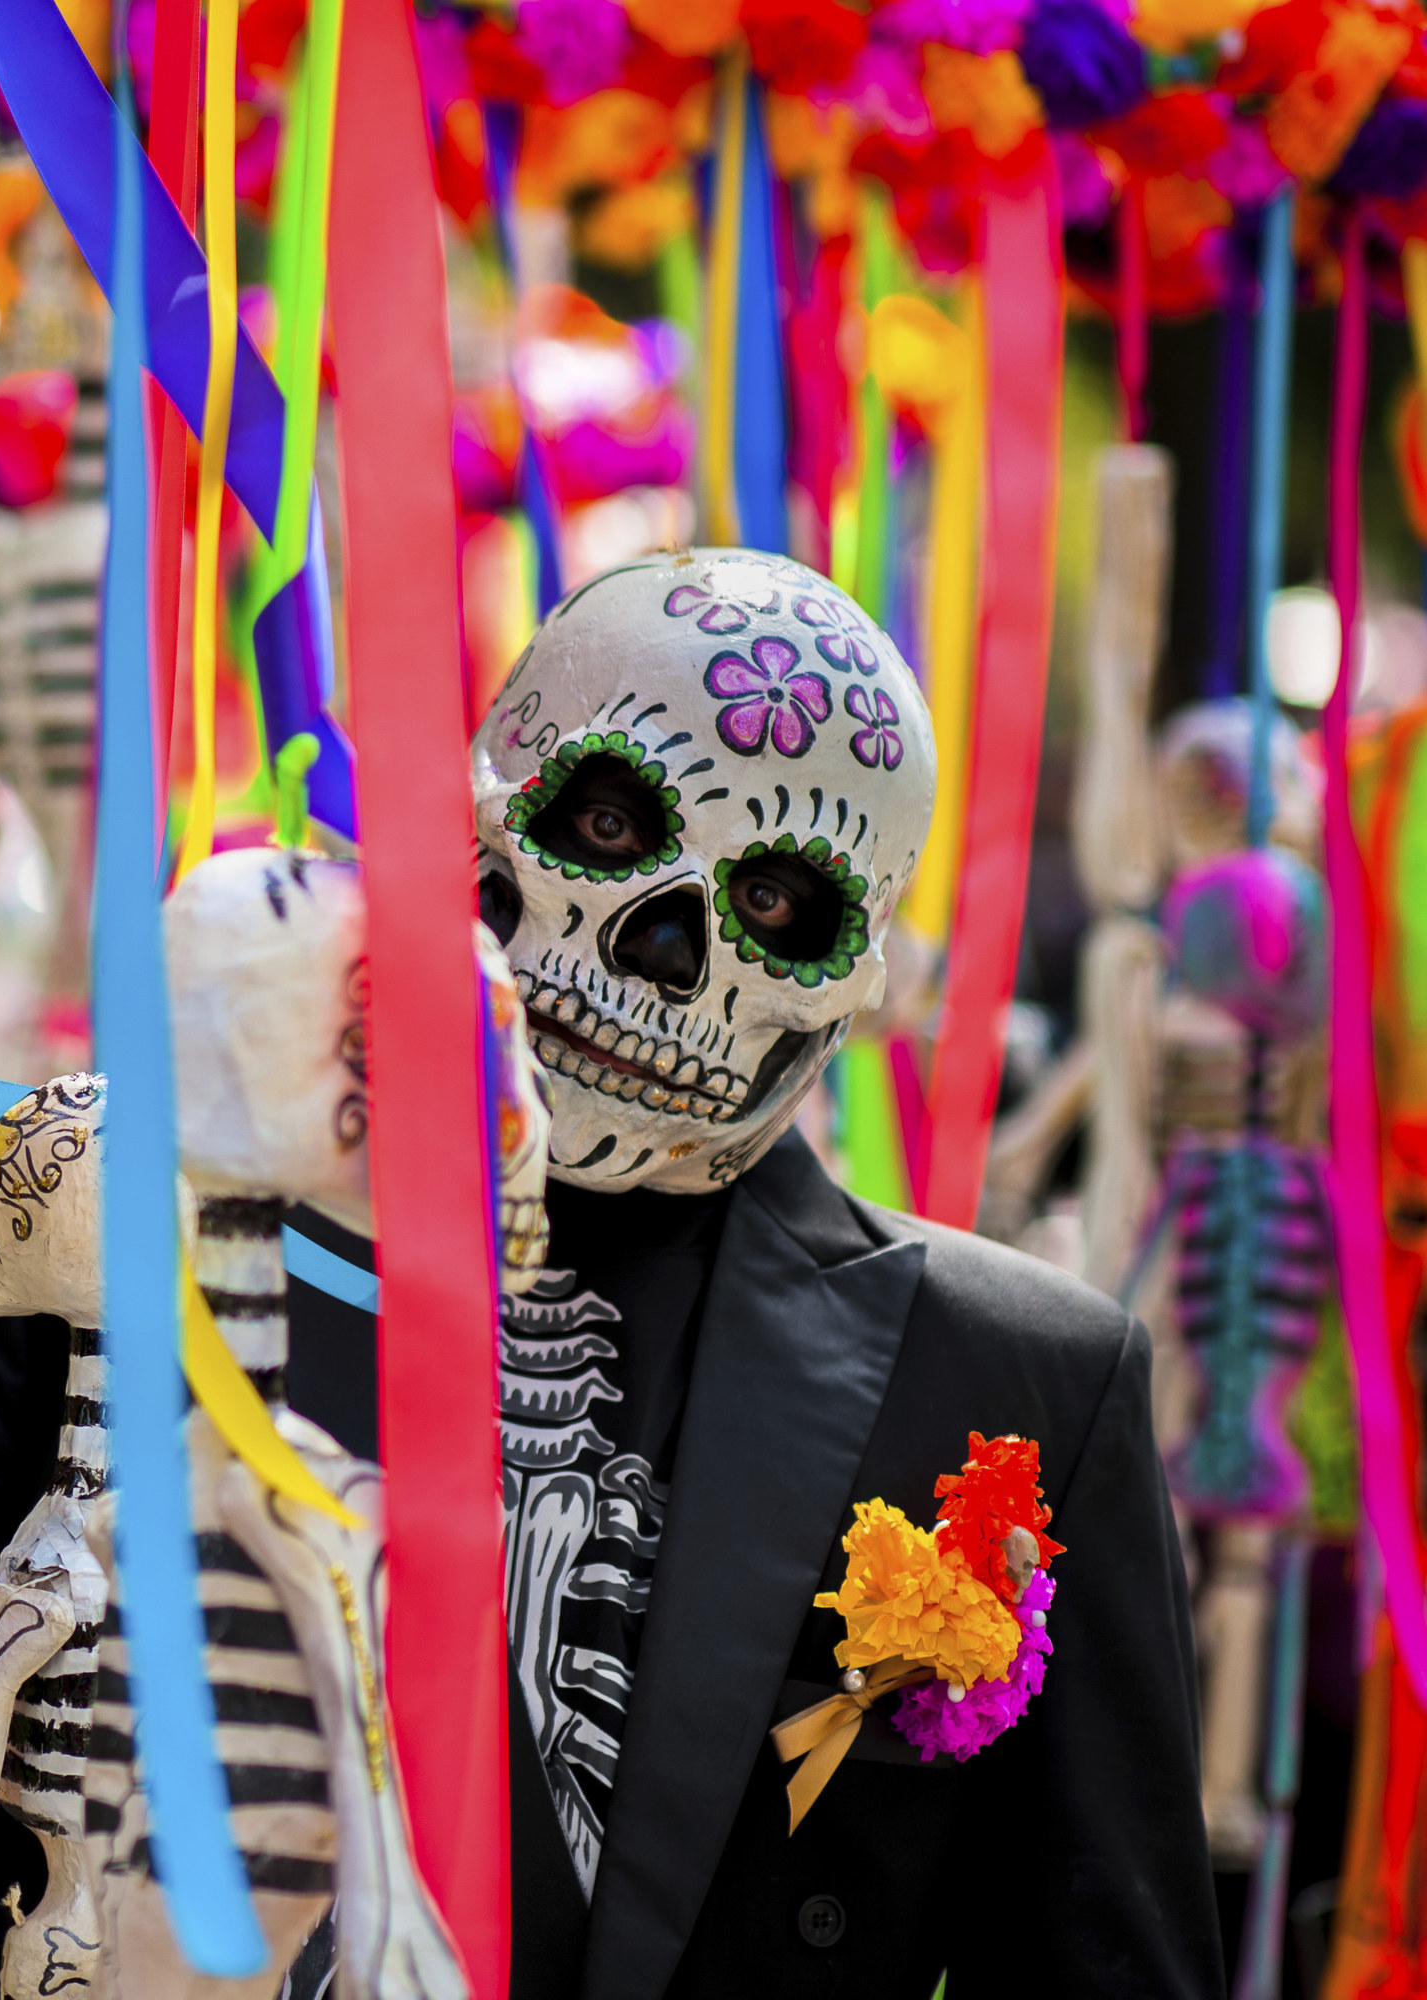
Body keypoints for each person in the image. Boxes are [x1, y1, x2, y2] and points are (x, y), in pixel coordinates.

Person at [473, 551, 1220, 1996]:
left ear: (861, 974)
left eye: (777, 906)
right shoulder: (161, 1230)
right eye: (612, 820)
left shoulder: (1021, 1383)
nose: (673, 951)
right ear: (492, 809)